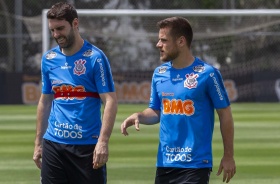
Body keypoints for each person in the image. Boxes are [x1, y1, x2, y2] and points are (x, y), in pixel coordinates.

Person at [121, 17, 236, 184]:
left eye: (164, 40)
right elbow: (156, 111)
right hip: (164, 164)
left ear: (181, 41)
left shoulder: (208, 74)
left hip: (195, 166)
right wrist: (139, 116)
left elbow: (225, 115)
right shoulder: (159, 73)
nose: (158, 44)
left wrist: (228, 156)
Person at [33, 2, 117, 184]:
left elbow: (110, 101)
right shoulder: (48, 59)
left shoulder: (95, 57)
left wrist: (103, 141)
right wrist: (38, 143)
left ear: (75, 24)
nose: (56, 35)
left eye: (60, 28)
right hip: (53, 144)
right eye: (52, 30)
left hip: (87, 148)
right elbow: (45, 102)